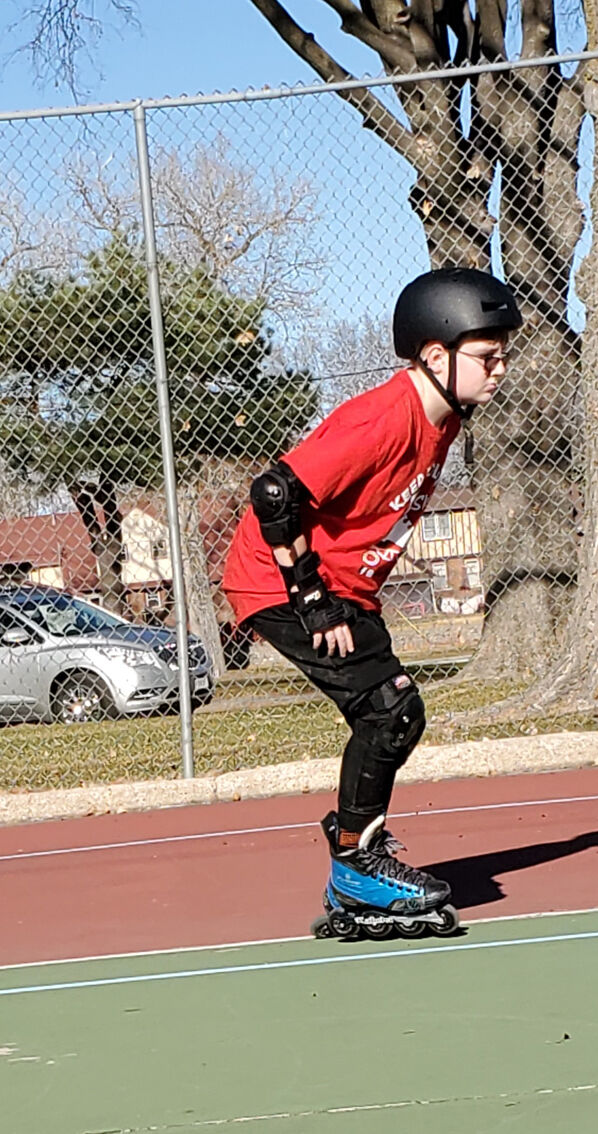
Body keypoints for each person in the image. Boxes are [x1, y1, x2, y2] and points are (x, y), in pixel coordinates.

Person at [222, 267, 522, 938]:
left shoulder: (444, 417)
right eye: (486, 356)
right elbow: (275, 493)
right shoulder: (387, 419)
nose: (500, 369)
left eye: (504, 355)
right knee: (389, 710)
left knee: (396, 716)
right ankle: (357, 866)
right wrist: (313, 602)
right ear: (435, 355)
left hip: (344, 587)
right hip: (283, 585)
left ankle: (359, 858)